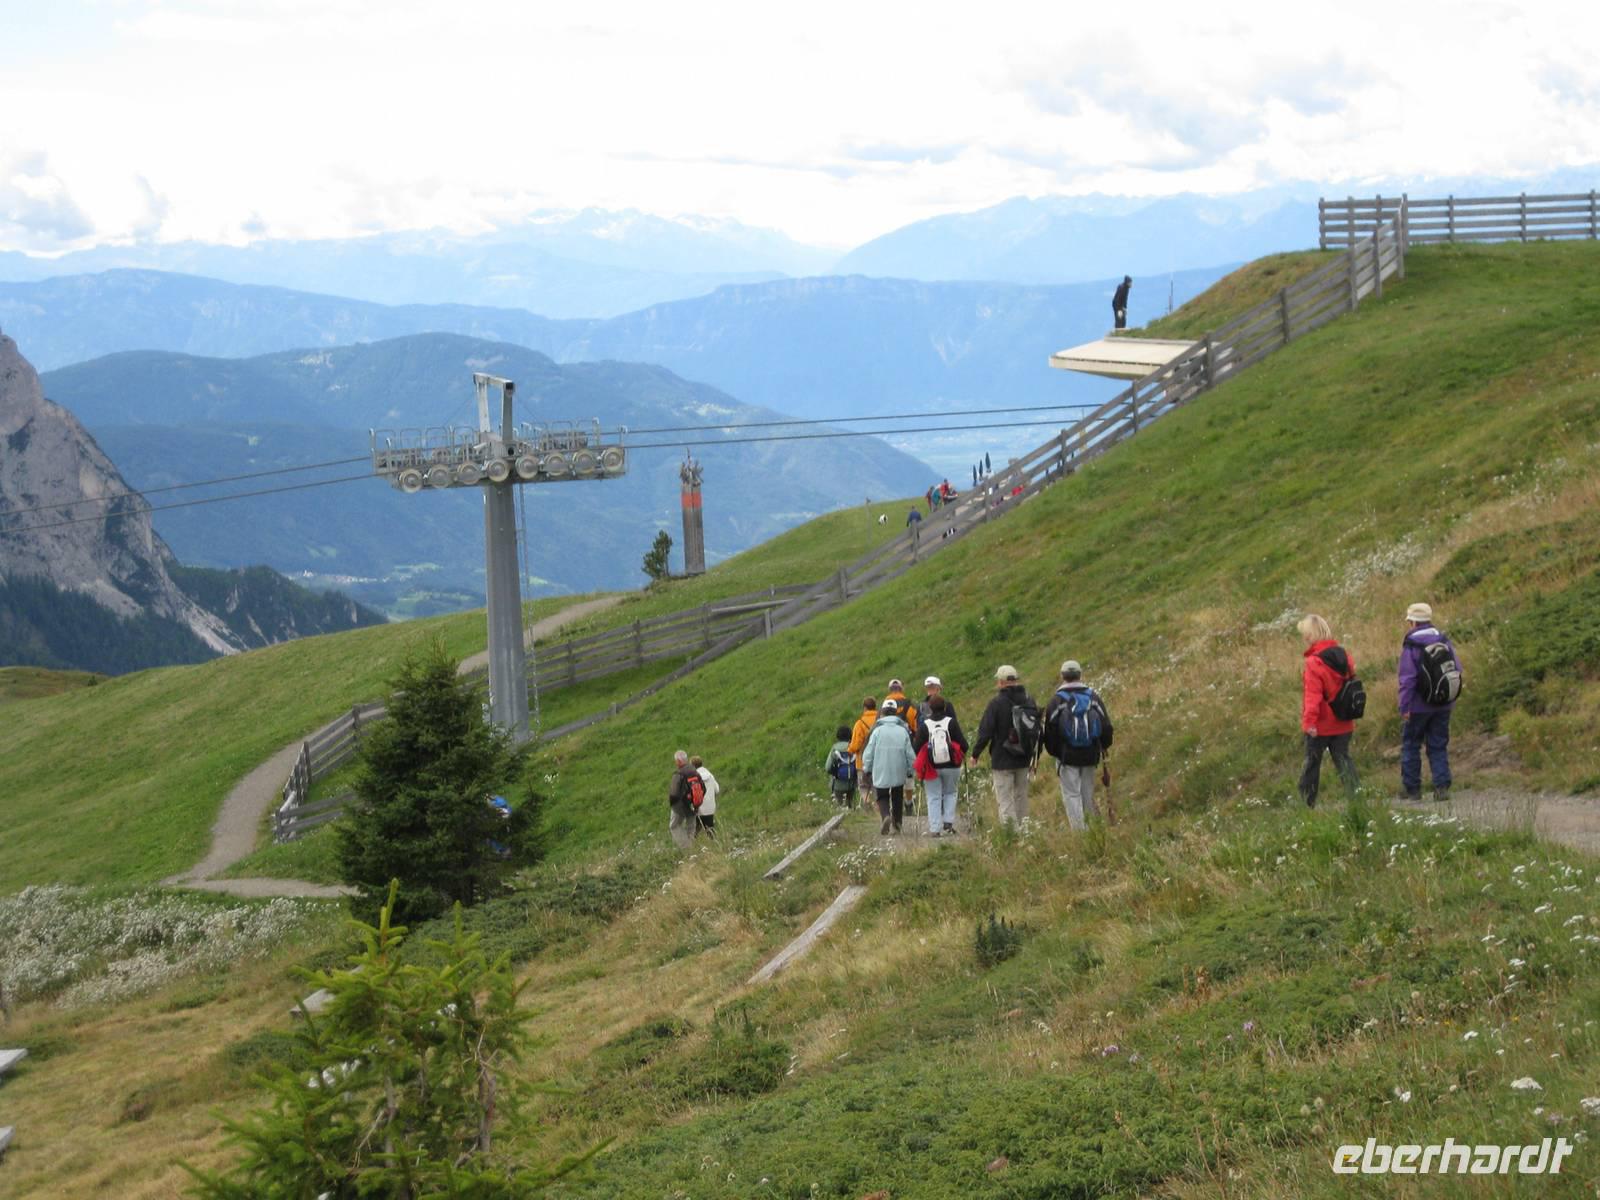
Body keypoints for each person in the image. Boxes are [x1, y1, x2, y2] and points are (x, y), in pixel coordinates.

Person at [1398, 602, 1462, 801]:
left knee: (1411, 745)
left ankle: (1413, 790)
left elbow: (1407, 679)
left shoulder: (1411, 644)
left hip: (1417, 706)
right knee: (1438, 745)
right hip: (1443, 703)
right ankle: (1441, 787)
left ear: (1412, 622)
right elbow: (1457, 669)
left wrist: (1404, 706)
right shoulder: (1443, 639)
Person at [1041, 659, 1114, 829]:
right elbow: (1106, 726)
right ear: (1080, 675)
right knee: (1087, 794)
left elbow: (1049, 732)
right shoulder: (1093, 697)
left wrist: (1057, 753)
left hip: (1067, 756)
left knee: (1072, 795)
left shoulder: (1057, 701)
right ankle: (1093, 830)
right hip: (1090, 755)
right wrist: (1103, 747)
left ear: (1062, 676)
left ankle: (1080, 833)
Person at [1297, 615, 1360, 808]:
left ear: (1309, 635)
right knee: (1344, 760)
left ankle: (1306, 806)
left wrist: (1309, 723)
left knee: (1312, 764)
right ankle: (1357, 801)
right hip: (1344, 720)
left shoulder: (1313, 662)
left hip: (1321, 725)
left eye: (1304, 634)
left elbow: (1313, 696)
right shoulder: (1345, 655)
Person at [970, 665, 1039, 829]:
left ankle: (1011, 834)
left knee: (1005, 799)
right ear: (1016, 680)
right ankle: (1025, 830)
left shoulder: (996, 703)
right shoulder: (1029, 700)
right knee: (1021, 796)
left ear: (1001, 682)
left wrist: (975, 754)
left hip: (1002, 759)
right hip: (1024, 757)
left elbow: (985, 731)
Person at [913, 694, 967, 836]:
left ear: (930, 708)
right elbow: (964, 745)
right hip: (951, 766)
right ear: (944, 707)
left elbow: (916, 748)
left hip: (931, 767)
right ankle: (948, 823)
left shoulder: (925, 725)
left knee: (933, 796)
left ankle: (935, 829)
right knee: (950, 792)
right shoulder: (951, 722)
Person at [862, 698, 916, 835]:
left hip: (880, 768)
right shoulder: (902, 730)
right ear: (896, 713)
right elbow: (910, 754)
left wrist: (867, 768)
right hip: (899, 768)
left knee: (882, 795)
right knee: (897, 796)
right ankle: (897, 824)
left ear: (882, 712)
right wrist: (911, 770)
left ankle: (885, 815)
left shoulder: (877, 731)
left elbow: (869, 752)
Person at [667, 750, 699, 849]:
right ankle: (692, 849)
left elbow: (673, 793)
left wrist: (673, 805)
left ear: (679, 761)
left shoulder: (678, 774)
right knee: (691, 827)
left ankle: (686, 847)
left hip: (681, 806)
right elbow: (703, 788)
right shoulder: (694, 771)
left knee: (674, 826)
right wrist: (697, 801)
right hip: (695, 804)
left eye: (676, 761)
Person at [825, 723, 858, 808]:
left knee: (839, 806)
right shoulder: (853, 747)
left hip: (838, 784)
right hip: (851, 783)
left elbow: (827, 767)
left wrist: (834, 773)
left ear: (838, 736)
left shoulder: (835, 748)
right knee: (850, 805)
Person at [847, 696, 879, 781]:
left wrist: (849, 750)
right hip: (879, 761)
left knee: (864, 786)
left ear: (865, 708)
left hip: (863, 763)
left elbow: (856, 745)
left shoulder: (860, 724)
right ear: (875, 707)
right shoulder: (880, 721)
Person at [691, 755, 720, 834]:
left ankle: (691, 842)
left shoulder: (694, 778)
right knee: (710, 831)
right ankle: (714, 842)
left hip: (698, 809)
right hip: (710, 809)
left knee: (693, 833)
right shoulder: (710, 776)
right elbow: (717, 790)